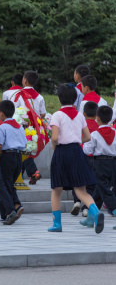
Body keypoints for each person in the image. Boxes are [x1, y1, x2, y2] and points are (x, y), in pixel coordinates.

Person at [48, 84, 103, 233]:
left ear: (59, 99)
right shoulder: (79, 115)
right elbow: (87, 136)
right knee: (80, 189)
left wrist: (54, 145)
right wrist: (77, 141)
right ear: (75, 99)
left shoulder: (57, 115)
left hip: (61, 152)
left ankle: (57, 224)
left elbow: (54, 137)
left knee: (56, 189)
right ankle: (95, 212)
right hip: (77, 152)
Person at [83, 106, 116, 219]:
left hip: (100, 163)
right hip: (113, 164)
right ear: (111, 118)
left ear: (97, 118)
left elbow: (87, 150)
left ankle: (115, 210)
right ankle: (91, 218)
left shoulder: (95, 135)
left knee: (104, 190)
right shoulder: (115, 132)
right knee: (99, 189)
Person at [0, 100, 27, 221]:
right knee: (8, 183)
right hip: (18, 157)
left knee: (5, 184)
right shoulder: (19, 127)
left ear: (2, 114)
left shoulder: (2, 127)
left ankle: (15, 206)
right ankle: (6, 213)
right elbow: (24, 144)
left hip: (7, 157)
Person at [71, 101, 98, 216]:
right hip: (94, 158)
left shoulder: (80, 124)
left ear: (84, 114)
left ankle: (76, 202)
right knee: (91, 183)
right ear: (97, 115)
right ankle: (86, 208)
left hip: (79, 155)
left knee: (76, 180)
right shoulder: (98, 126)